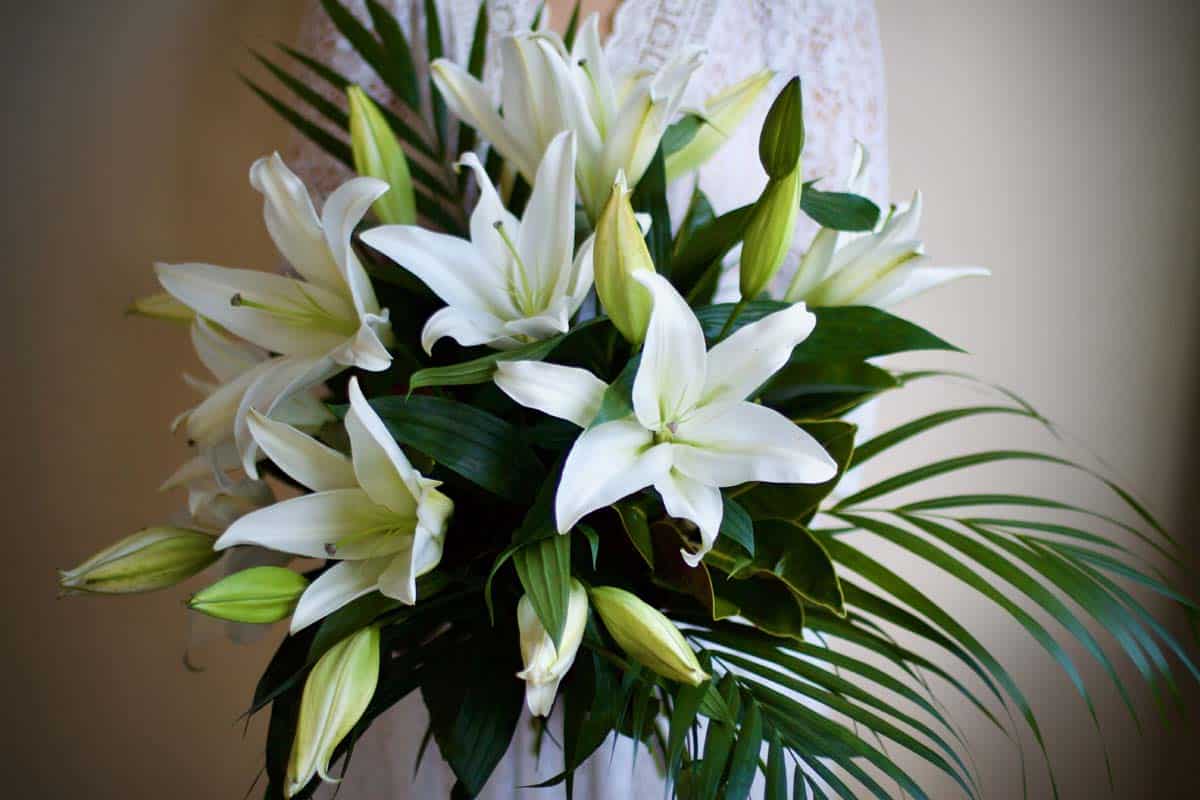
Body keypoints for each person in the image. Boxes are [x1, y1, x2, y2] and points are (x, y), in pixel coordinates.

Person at [291, 1, 889, 796]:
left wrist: (689, 559)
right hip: (458, 650)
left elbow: (835, 335)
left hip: (713, 676)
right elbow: (336, 332)